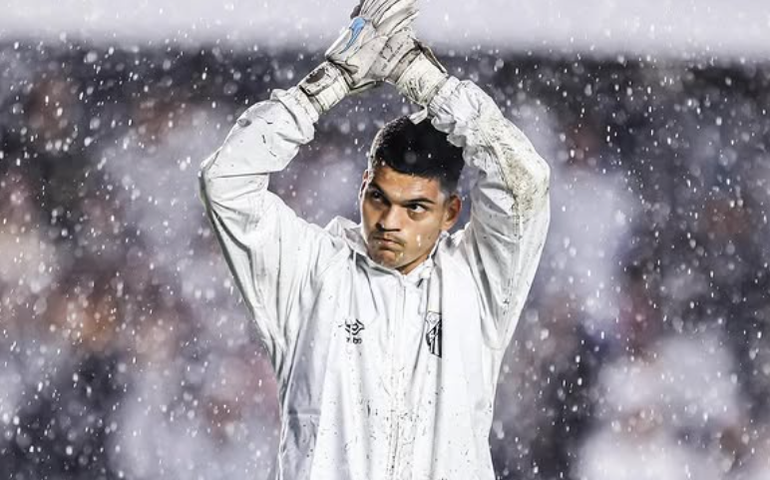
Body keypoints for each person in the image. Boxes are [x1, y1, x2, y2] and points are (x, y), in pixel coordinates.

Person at [198, 0, 551, 478]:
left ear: (450, 212)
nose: (390, 221)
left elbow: (524, 179)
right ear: (363, 186)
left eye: (415, 208)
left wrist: (422, 80)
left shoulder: (476, 283)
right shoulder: (311, 274)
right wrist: (330, 82)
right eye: (379, 199)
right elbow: (225, 180)